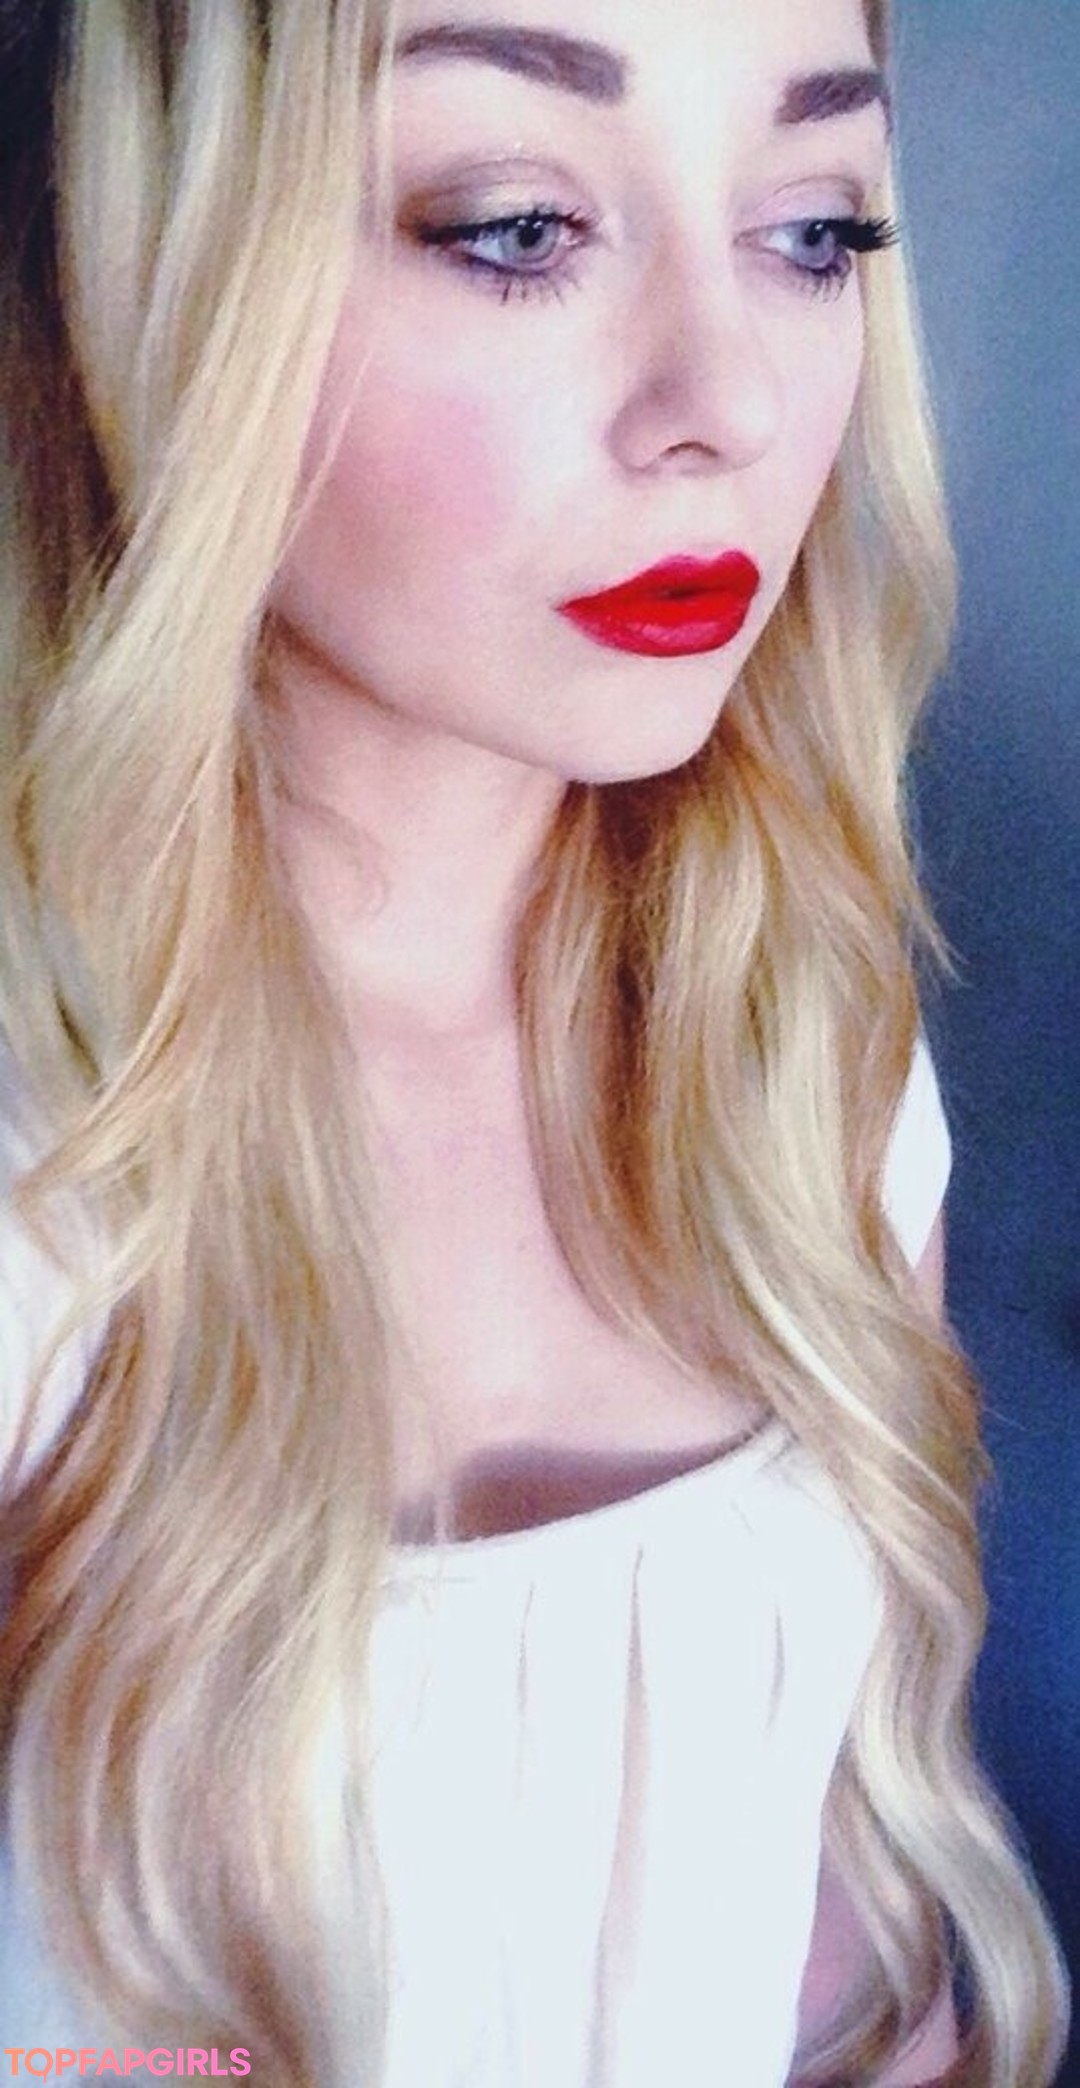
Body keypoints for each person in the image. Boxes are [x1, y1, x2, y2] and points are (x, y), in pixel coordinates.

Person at [0, 0, 1069, 2084]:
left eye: (818, 231)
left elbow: (838, 1947)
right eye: (515, 227)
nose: (728, 404)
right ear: (163, 266)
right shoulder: (48, 1170)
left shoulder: (805, 1051)